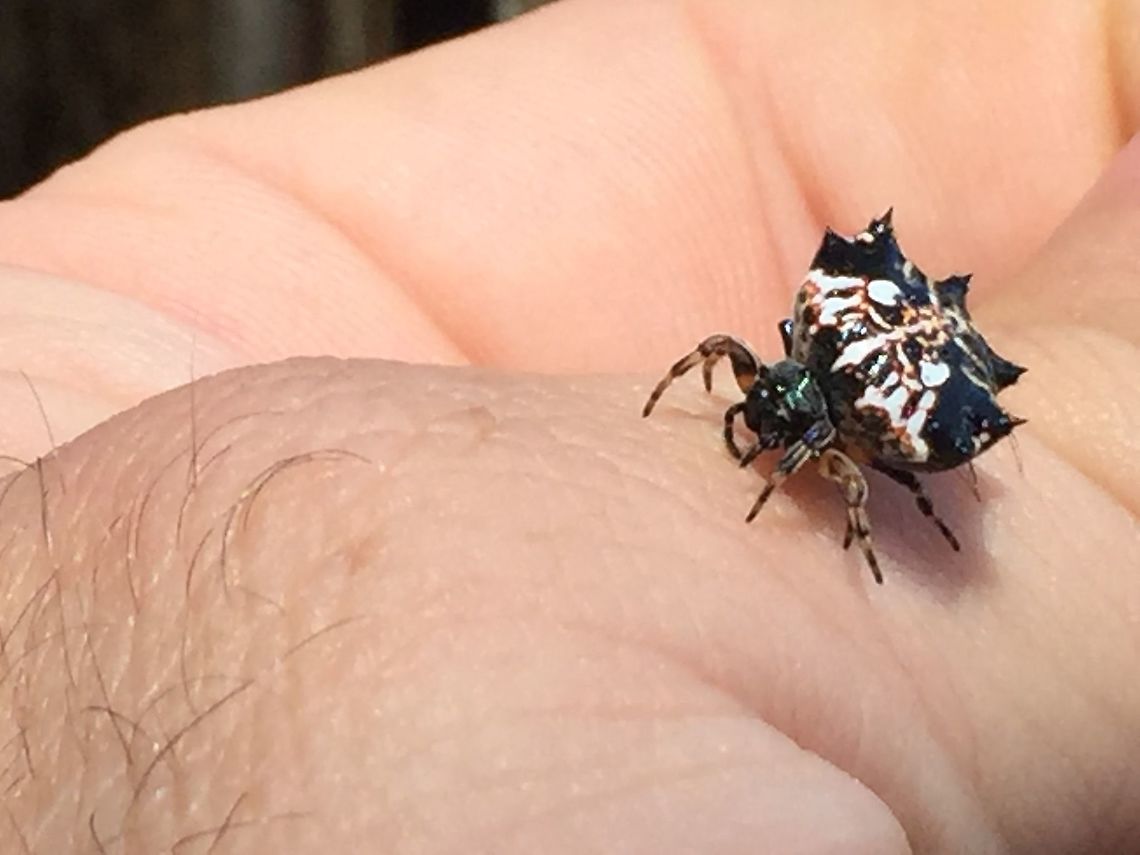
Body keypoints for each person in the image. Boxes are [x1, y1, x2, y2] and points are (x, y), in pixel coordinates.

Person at [0, 1, 1137, 851]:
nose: (759, 427)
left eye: (773, 428)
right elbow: (737, 381)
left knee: (903, 482)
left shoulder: (835, 433)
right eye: (759, 411)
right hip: (869, 347)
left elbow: (852, 482)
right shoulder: (781, 364)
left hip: (909, 375)